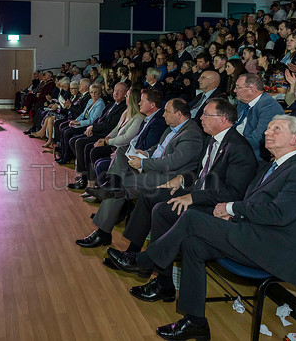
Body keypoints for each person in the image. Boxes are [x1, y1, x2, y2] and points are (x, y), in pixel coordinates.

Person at [106, 116, 296, 340]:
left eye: (276, 129)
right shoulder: (272, 166)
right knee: (193, 244)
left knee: (192, 218)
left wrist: (231, 209)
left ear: (295, 139)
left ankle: (143, 261)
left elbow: (279, 214)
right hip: (253, 233)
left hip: (275, 248)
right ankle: (195, 322)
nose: (267, 132)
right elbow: (255, 205)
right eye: (268, 128)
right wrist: (234, 214)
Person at [111, 98, 258, 293]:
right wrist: (181, 179)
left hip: (214, 205)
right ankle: (133, 253)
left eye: (206, 114)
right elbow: (201, 173)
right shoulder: (212, 140)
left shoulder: (239, 149)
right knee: (149, 195)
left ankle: (160, 278)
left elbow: (233, 193)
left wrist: (192, 198)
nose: (201, 118)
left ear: (223, 119)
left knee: (163, 210)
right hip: (198, 192)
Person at [75, 99, 204, 248]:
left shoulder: (191, 134)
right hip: (154, 165)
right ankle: (112, 182)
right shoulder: (172, 128)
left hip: (168, 176)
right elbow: (158, 147)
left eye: (167, 112)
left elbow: (171, 163)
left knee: (121, 187)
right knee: (122, 150)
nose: (163, 115)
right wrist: (146, 153)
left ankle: (103, 233)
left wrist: (143, 163)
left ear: (179, 114)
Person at [233, 73, 285, 161]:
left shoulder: (268, 106)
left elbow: (257, 140)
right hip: (238, 145)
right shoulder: (242, 102)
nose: (235, 90)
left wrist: (230, 145)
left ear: (251, 89)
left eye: (238, 87)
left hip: (253, 155)